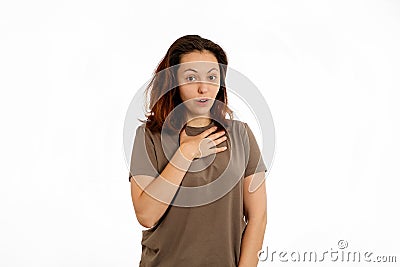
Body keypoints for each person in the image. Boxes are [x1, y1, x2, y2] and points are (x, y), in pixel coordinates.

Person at [128, 35, 268, 267]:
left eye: (212, 77)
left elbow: (257, 217)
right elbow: (146, 215)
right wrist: (184, 154)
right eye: (191, 77)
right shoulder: (148, 136)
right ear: (173, 82)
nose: (204, 88)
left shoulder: (240, 135)